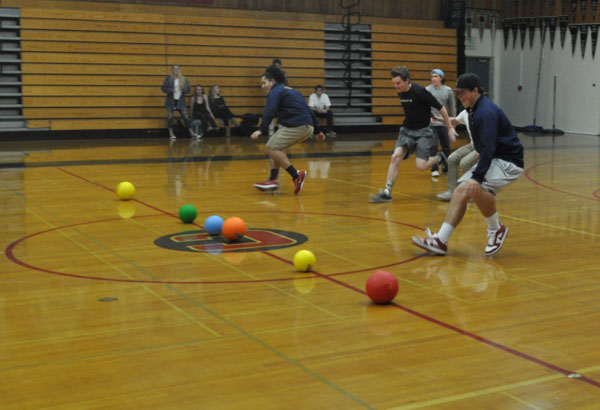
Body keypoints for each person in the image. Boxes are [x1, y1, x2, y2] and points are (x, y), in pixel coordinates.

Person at [412, 73, 524, 257]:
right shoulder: (472, 109)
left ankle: (495, 230)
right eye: (457, 93)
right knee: (461, 191)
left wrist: (478, 176)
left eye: (463, 93)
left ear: (475, 91)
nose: (459, 96)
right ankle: (441, 241)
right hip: (495, 157)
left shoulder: (485, 112)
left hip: (508, 161)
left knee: (472, 187)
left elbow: (489, 146)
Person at [369, 65, 457, 203]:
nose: (396, 86)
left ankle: (439, 158)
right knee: (395, 157)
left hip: (423, 132)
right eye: (394, 83)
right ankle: (387, 192)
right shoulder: (401, 92)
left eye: (398, 83)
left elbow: (442, 109)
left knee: (421, 166)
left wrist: (450, 127)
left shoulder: (420, 91)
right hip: (407, 131)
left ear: (407, 81)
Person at [250, 65, 317, 195]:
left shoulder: (275, 91)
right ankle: (273, 180)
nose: (262, 86)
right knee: (276, 147)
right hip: (307, 126)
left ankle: (296, 175)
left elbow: (270, 111)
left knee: (271, 148)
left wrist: (261, 130)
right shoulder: (292, 91)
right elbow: (309, 110)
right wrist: (318, 130)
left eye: (264, 83)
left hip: (296, 125)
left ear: (272, 81)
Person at [435, 109, 478, 201]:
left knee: (465, 163)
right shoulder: (465, 112)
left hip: (485, 145)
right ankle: (452, 191)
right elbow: (455, 121)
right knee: (452, 158)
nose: (462, 98)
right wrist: (437, 118)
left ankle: (472, 193)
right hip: (473, 144)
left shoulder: (483, 111)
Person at [426, 68, 456, 177]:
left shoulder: (448, 91)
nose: (433, 78)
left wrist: (452, 125)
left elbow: (452, 109)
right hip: (432, 124)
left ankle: (446, 166)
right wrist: (427, 117)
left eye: (436, 76)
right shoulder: (427, 90)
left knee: (446, 147)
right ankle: (434, 169)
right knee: (433, 146)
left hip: (445, 123)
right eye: (432, 76)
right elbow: (424, 106)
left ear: (441, 78)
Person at [161, 64, 197, 140]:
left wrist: (183, 90)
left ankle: (192, 133)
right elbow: (163, 88)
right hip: (170, 101)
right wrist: (170, 90)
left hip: (180, 101)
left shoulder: (184, 79)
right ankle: (171, 133)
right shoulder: (168, 78)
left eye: (177, 69)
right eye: (174, 69)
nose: (176, 70)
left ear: (179, 70)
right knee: (170, 117)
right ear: (172, 70)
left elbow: (188, 90)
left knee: (186, 117)